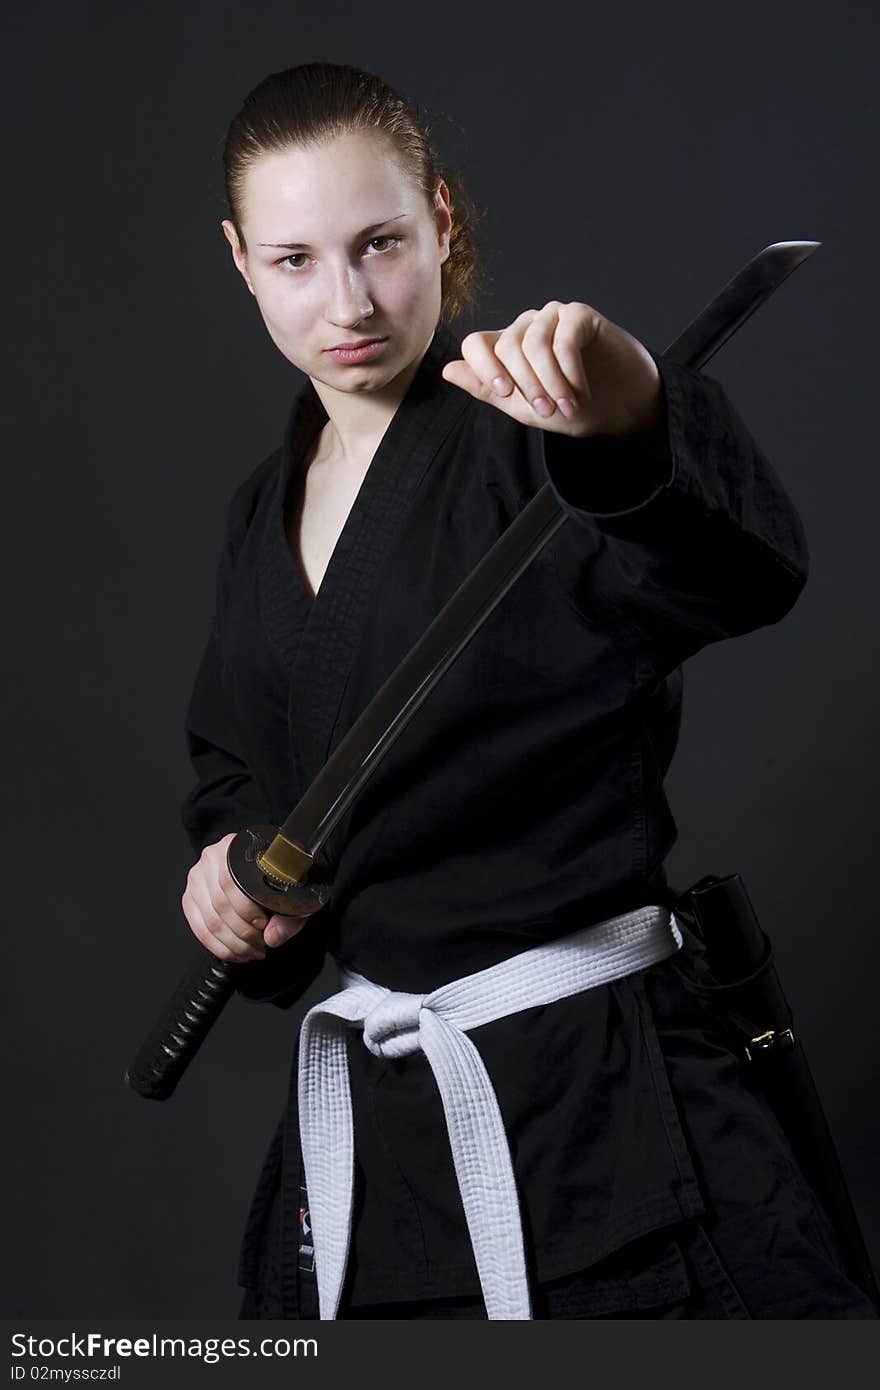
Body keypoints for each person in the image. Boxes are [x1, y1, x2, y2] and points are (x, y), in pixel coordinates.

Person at [178, 62, 876, 1320]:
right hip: (378, 1149)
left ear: (441, 219)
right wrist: (229, 873)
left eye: (380, 243)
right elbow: (238, 769)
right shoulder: (252, 517)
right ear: (239, 258)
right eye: (293, 259)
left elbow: (742, 573)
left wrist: (633, 425)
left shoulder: (536, 422)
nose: (347, 300)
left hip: (604, 1105)